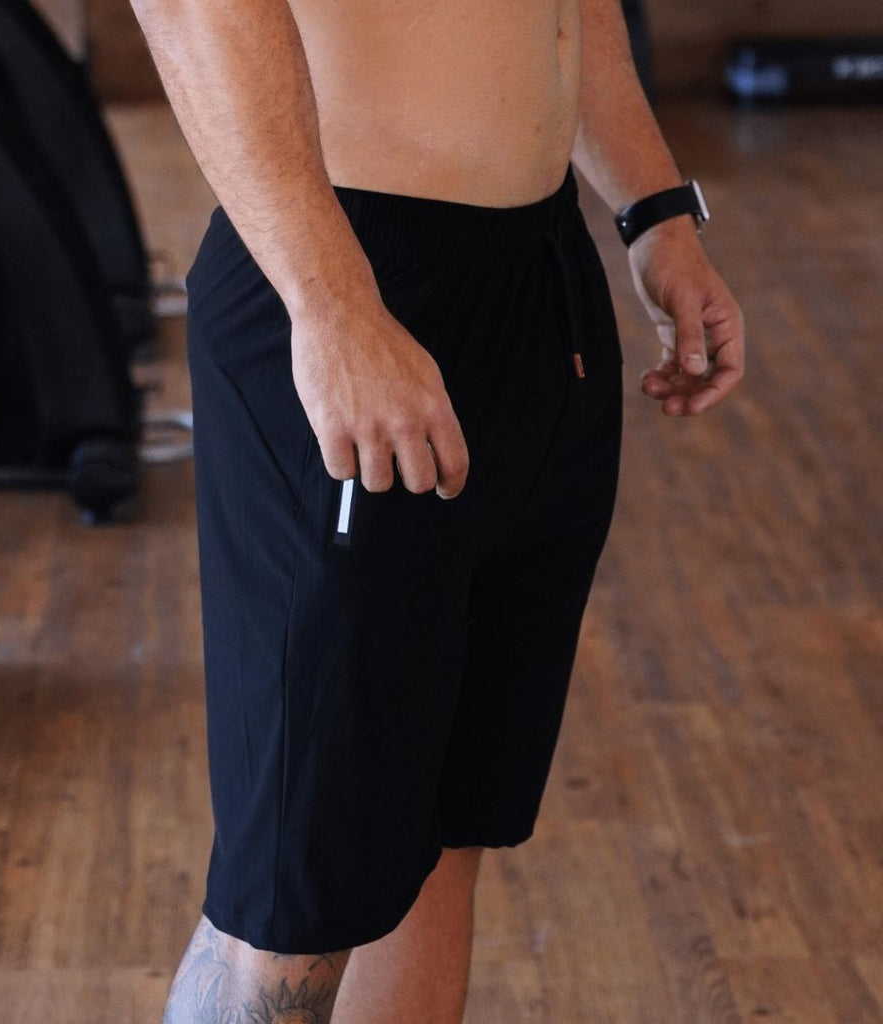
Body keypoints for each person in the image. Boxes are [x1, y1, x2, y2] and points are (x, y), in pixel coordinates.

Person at [129, 0, 745, 1018]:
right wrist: (333, 306)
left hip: (538, 275)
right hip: (352, 275)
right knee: (287, 908)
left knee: (438, 833)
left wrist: (654, 209)